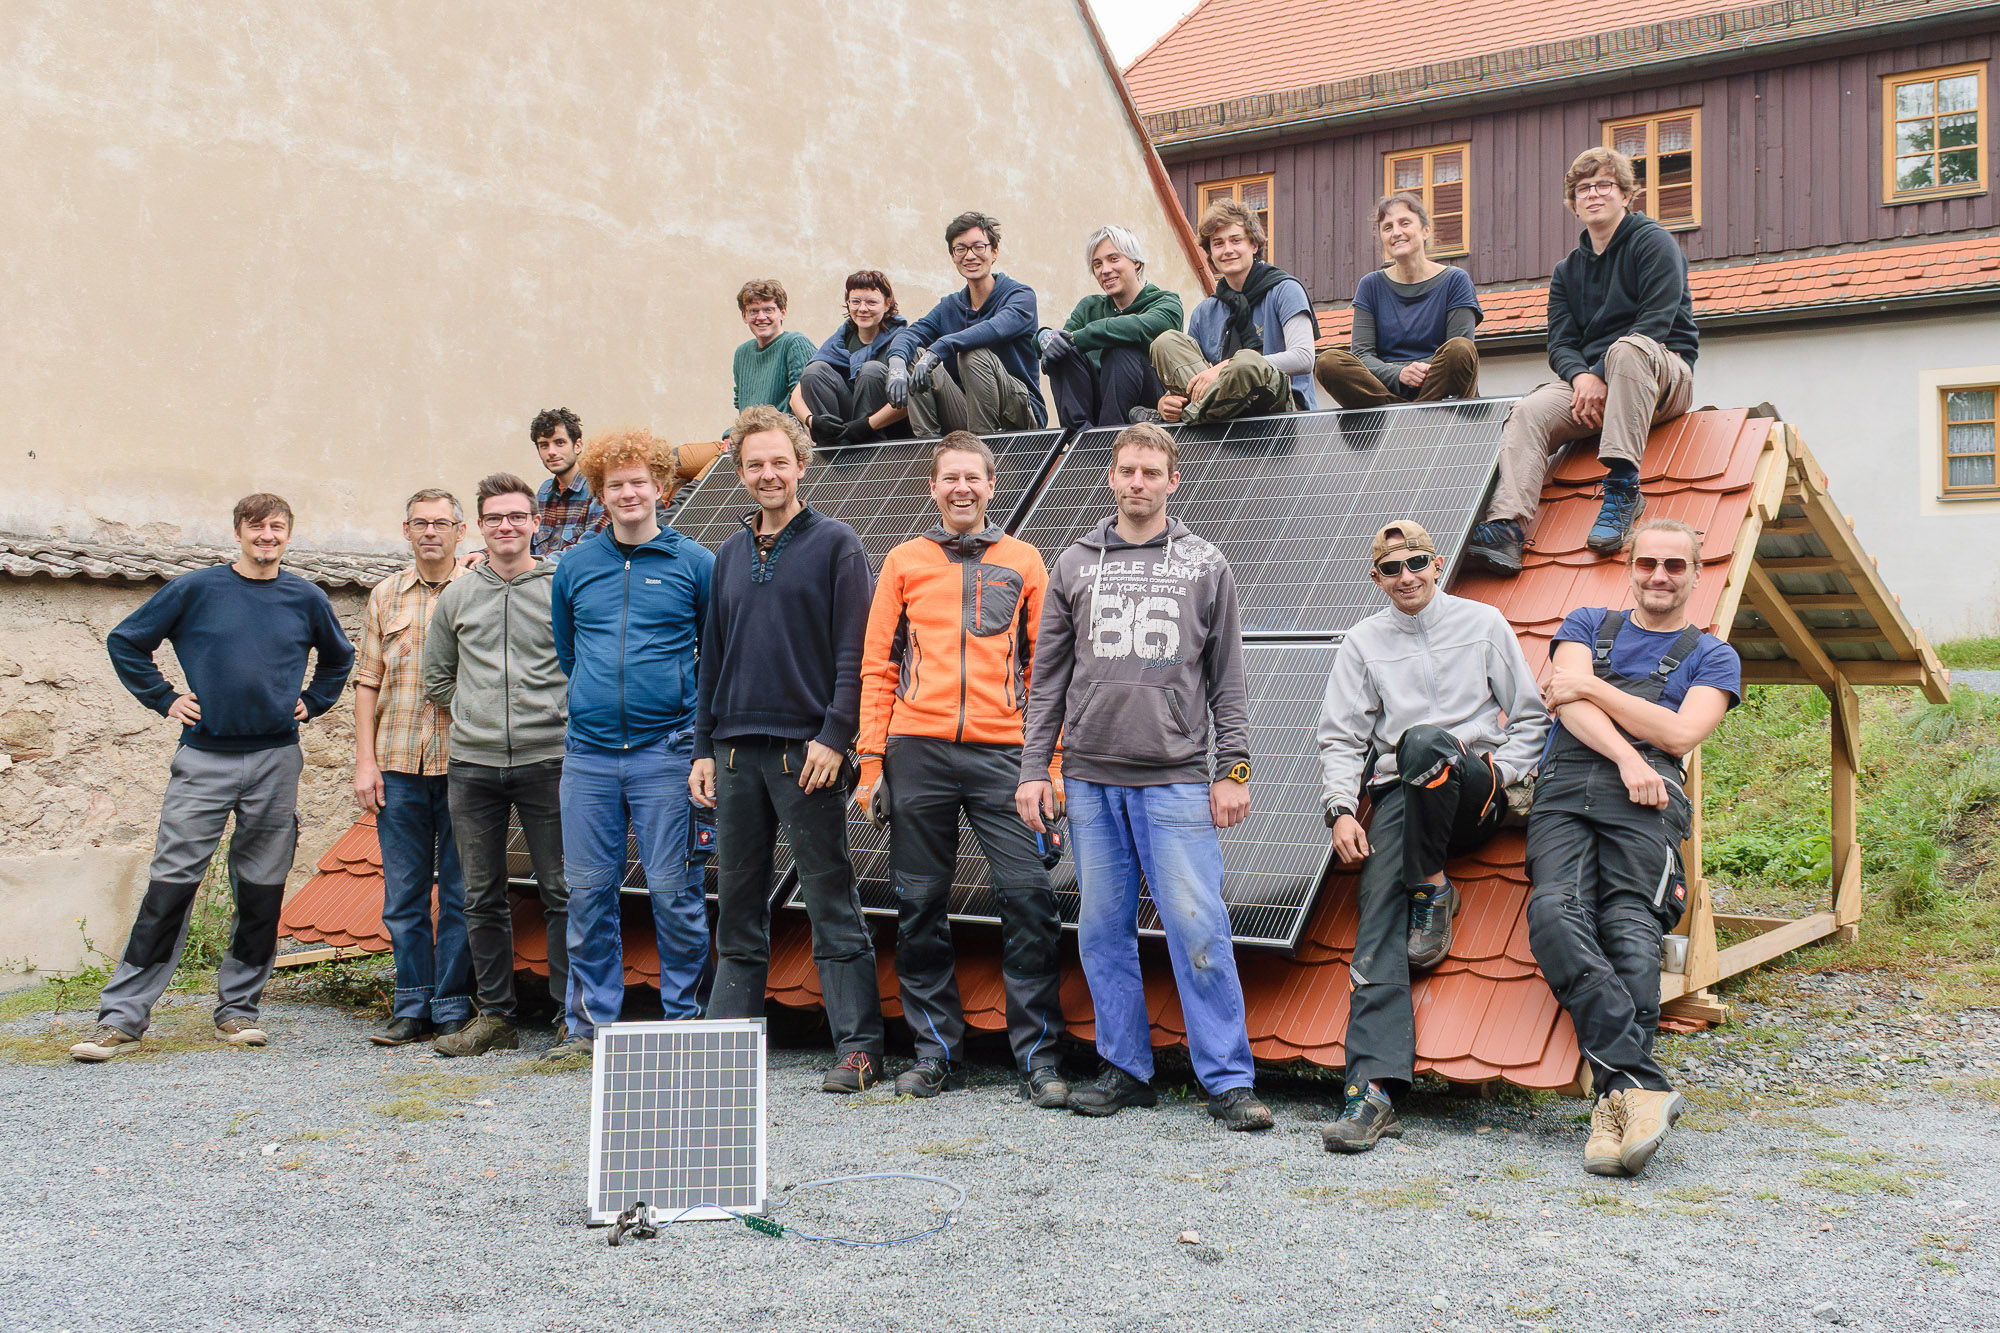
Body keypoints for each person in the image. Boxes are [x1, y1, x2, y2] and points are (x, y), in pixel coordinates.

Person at [1015, 422, 1273, 1131]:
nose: (1137, 482)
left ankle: (1228, 1080)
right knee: (1101, 931)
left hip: (1178, 780)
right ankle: (1126, 1068)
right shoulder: (1073, 563)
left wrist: (1234, 768)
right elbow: (1047, 682)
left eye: (1150, 472)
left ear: (1172, 481)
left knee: (1199, 929)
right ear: (1111, 478)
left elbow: (1228, 679)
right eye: (1126, 470)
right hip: (1092, 782)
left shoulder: (1205, 562)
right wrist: (1036, 767)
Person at [72, 494, 355, 1062]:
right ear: (238, 533)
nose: (266, 536)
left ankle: (238, 1011)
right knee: (171, 883)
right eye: (257, 527)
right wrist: (165, 698)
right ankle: (122, 1019)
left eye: (277, 527)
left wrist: (314, 702)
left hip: (276, 759)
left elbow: (339, 657)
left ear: (288, 536)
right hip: (204, 760)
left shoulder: (305, 596)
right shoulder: (195, 589)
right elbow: (127, 641)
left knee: (261, 889)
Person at [1314, 520, 1550, 1151]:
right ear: (1377, 579)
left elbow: (1530, 715)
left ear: (1437, 562)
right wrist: (1341, 809)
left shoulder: (1484, 623)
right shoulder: (1362, 642)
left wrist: (1509, 774)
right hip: (1399, 797)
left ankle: (1432, 885)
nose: (1407, 577)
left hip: (1472, 785)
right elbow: (1341, 736)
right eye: (1392, 569)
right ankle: (1372, 1090)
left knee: (1426, 743)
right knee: (1375, 916)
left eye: (1416, 562)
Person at [854, 430, 1067, 1106]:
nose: (962, 489)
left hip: (1007, 754)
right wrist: (869, 761)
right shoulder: (904, 561)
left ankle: (1037, 1056)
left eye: (973, 478)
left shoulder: (1026, 560)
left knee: (1029, 899)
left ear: (991, 485)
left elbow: (1048, 673)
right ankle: (934, 1052)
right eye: (950, 478)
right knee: (919, 905)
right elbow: (878, 665)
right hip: (917, 751)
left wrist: (1051, 767)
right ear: (934, 487)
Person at [1527, 518, 1739, 1178]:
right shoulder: (1588, 620)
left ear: (1696, 573)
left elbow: (1679, 733)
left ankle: (1613, 1107)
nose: (1660, 575)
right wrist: (1626, 753)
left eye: (1676, 565)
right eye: (1649, 562)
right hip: (1573, 785)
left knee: (1628, 931)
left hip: (1649, 802)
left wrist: (1592, 686)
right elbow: (1566, 704)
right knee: (1554, 913)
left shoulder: (1714, 655)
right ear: (1632, 566)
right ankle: (1639, 1087)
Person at [692, 405, 883, 1091]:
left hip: (807, 755)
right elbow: (710, 657)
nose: (768, 473)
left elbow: (854, 652)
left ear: (802, 464)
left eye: (780, 461)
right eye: (755, 464)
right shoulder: (729, 553)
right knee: (737, 906)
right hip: (736, 755)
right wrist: (703, 748)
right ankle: (722, 1051)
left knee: (831, 900)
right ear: (740, 473)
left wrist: (836, 735)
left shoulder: (837, 544)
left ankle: (858, 1049)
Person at [550, 430, 714, 1060]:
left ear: (662, 489)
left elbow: (713, 657)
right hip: (588, 756)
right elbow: (570, 652)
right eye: (614, 484)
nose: (627, 493)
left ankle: (681, 1024)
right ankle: (591, 1027)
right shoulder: (575, 566)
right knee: (589, 893)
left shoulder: (694, 563)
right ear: (601, 493)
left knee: (675, 892)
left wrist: (691, 731)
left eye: (638, 481)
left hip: (666, 755)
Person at [1463, 147, 1699, 577]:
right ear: (1573, 202)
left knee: (1626, 349)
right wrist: (1580, 376)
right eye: (1582, 188)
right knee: (1530, 409)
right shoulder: (1566, 271)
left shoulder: (1654, 243)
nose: (1593, 194)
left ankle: (1623, 488)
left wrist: (1598, 374)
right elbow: (1561, 344)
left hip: (1661, 377)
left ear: (1627, 195)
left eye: (1604, 185)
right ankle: (1506, 528)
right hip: (1592, 388)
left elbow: (1656, 324)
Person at [423, 474, 571, 1057]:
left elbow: (583, 661)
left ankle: (570, 1016)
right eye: (494, 518)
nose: (505, 526)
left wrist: (553, 712)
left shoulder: (562, 586)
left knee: (562, 890)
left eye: (516, 516)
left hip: (549, 760)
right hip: (473, 766)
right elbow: (439, 676)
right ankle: (496, 1017)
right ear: (479, 527)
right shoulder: (459, 594)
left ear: (536, 523)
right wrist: (474, 713)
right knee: (480, 894)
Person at [351, 489, 473, 1047]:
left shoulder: (478, 589)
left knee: (460, 893)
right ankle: (410, 1005)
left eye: (441, 523)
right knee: (402, 895)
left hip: (464, 764)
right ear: (406, 531)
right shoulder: (383, 596)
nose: (431, 532)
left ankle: (451, 1005)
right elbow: (367, 684)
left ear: (459, 530)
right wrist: (364, 762)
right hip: (397, 766)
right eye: (421, 524)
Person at [1143, 198, 1316, 425]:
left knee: (1246, 362)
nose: (1228, 250)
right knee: (1165, 341)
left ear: (1254, 245)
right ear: (1211, 254)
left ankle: (1194, 415)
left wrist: (1225, 367)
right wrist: (1167, 402)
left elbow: (1304, 358)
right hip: (1220, 411)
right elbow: (1194, 377)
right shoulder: (1205, 311)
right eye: (1218, 243)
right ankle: (1198, 412)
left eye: (1236, 241)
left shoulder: (1285, 289)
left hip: (1279, 406)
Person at [1314, 194, 1482, 409]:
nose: (1396, 233)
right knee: (1329, 362)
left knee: (1460, 349)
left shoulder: (1455, 280)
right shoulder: (1370, 285)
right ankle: (1404, 416)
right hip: (1385, 387)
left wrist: (1417, 371)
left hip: (1439, 385)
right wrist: (1399, 373)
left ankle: (1404, 418)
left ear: (1426, 230)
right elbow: (1363, 355)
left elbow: (1460, 351)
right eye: (1387, 227)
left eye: (1405, 223)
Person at [885, 212, 1046, 436]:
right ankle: (929, 449)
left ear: (994, 252)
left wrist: (938, 350)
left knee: (972, 353)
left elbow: (994, 329)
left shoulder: (1020, 296)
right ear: (952, 256)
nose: (970, 256)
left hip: (1019, 415)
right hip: (967, 415)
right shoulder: (949, 306)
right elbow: (910, 335)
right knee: (913, 355)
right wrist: (896, 365)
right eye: (960, 249)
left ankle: (983, 452)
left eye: (979, 247)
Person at [1040, 225, 1183, 431]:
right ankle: (1079, 440)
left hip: (1151, 410)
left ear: (1135, 261)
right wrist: (1045, 336)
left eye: (1114, 259)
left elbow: (1132, 328)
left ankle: (1108, 437)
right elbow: (1060, 342)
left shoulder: (1166, 303)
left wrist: (1079, 337)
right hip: (1098, 405)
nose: (1105, 270)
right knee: (1063, 351)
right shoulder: (1089, 307)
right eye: (1097, 264)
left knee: (1120, 349)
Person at [531, 407, 717, 558]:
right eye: (544, 445)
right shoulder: (544, 492)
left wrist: (540, 567)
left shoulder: (696, 561)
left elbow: (591, 547)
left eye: (559, 443)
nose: (551, 452)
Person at [793, 270, 911, 448]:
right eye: (855, 302)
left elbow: (914, 398)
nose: (862, 309)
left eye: (872, 302)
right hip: (845, 431)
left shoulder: (903, 339)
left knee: (871, 370)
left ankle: (866, 445)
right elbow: (796, 395)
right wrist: (812, 421)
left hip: (886, 432)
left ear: (887, 304)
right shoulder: (840, 340)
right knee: (814, 371)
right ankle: (831, 444)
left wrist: (866, 425)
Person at [730, 279, 816, 430]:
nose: (761, 317)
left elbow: (805, 403)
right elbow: (741, 404)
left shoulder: (795, 344)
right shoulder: (742, 353)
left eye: (768, 310)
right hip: (749, 436)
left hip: (784, 437)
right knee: (682, 453)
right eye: (754, 311)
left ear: (782, 313)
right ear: (744, 316)